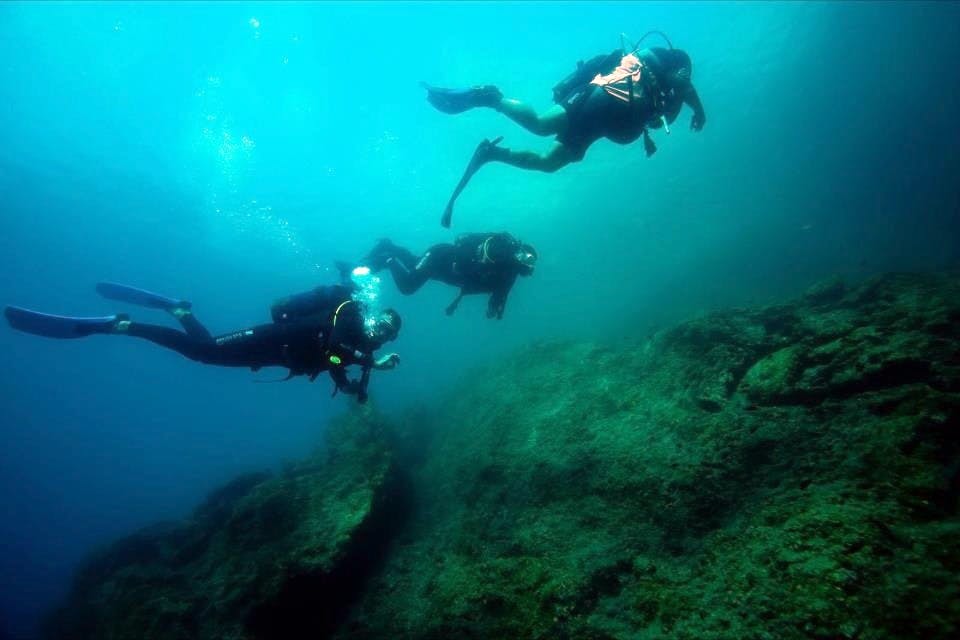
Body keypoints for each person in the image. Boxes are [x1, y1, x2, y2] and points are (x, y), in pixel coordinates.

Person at [423, 37, 706, 226]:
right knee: (541, 125)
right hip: (605, 96)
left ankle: (492, 152)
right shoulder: (678, 64)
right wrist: (698, 110)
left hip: (604, 115)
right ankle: (490, 98)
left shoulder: (657, 73)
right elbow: (683, 86)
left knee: (549, 162)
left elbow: (661, 105)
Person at [4, 281, 401, 403]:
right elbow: (333, 351)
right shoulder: (348, 314)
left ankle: (178, 311)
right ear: (372, 315)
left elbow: (336, 360)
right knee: (205, 352)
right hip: (273, 338)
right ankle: (121, 325)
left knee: (206, 352)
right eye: (382, 324)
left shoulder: (362, 345)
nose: (381, 334)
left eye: (388, 334)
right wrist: (366, 369)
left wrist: (361, 376)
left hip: (273, 353)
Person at [363, 232, 537, 319]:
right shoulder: (499, 252)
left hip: (444, 272)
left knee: (412, 263)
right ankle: (388, 260)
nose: (528, 264)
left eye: (531, 262)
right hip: (440, 257)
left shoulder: (508, 275)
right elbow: (478, 258)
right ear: (518, 253)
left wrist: (494, 310)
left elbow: (499, 296)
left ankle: (388, 245)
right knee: (408, 286)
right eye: (527, 258)